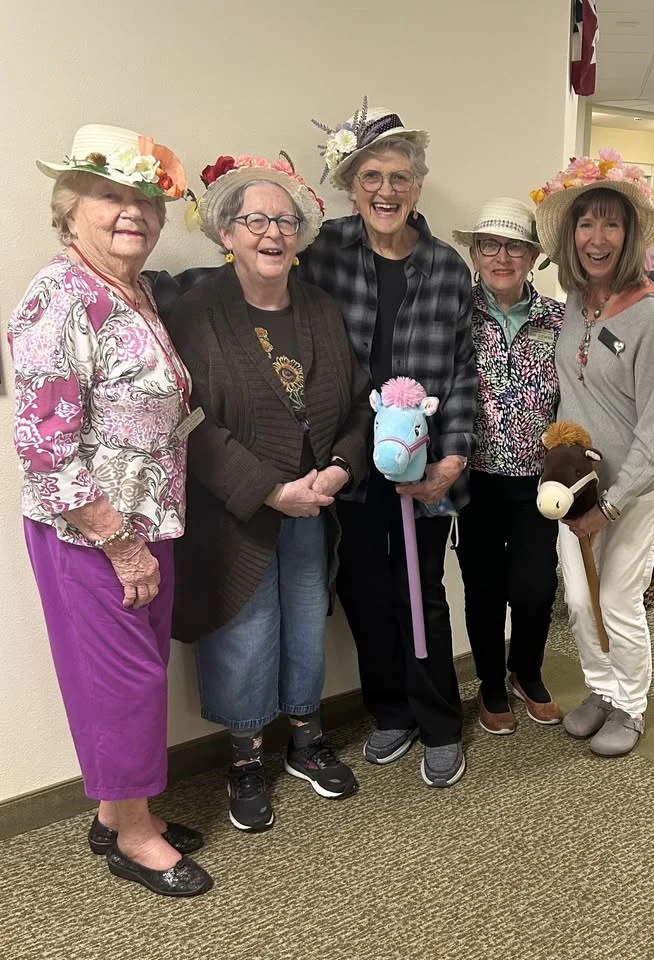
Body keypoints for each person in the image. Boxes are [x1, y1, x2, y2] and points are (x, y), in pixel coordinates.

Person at [8, 124, 212, 896]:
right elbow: (43, 445)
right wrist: (117, 542)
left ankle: (116, 810)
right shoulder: (58, 296)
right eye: (111, 198)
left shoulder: (131, 290)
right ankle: (133, 835)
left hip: (146, 520)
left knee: (135, 675)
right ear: (71, 209)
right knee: (121, 680)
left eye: (146, 201)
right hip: (93, 532)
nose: (133, 213)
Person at [166, 153, 371, 833]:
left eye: (284, 220)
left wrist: (340, 469)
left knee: (306, 621)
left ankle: (307, 739)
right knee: (246, 631)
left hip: (314, 504)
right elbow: (190, 420)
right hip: (240, 512)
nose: (272, 233)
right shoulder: (197, 311)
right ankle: (246, 758)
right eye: (255, 219)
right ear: (227, 233)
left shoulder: (319, 307)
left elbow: (358, 408)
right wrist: (267, 490)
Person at [301, 100, 477, 787]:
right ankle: (391, 713)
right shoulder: (323, 251)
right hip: (348, 461)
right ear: (351, 184)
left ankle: (438, 721)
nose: (385, 190)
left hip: (424, 467)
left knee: (421, 591)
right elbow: (257, 290)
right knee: (363, 589)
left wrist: (452, 460)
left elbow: (462, 374)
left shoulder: (444, 266)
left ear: (418, 187)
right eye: (371, 175)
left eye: (399, 177)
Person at [532, 151, 654, 756]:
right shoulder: (575, 300)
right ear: (571, 235)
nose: (596, 238)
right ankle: (601, 687)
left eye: (611, 224)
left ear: (629, 237)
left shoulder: (649, 313)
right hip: (579, 485)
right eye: (585, 223)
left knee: (619, 597)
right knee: (576, 595)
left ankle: (631, 704)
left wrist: (615, 504)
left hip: (637, 489)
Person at [451, 198, 564, 735]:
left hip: (540, 483)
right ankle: (491, 684)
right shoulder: (455, 315)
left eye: (515, 246)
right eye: (490, 245)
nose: (502, 256)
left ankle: (527, 670)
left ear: (534, 255)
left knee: (536, 586)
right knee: (483, 586)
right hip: (474, 480)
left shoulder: (560, 320)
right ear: (474, 253)